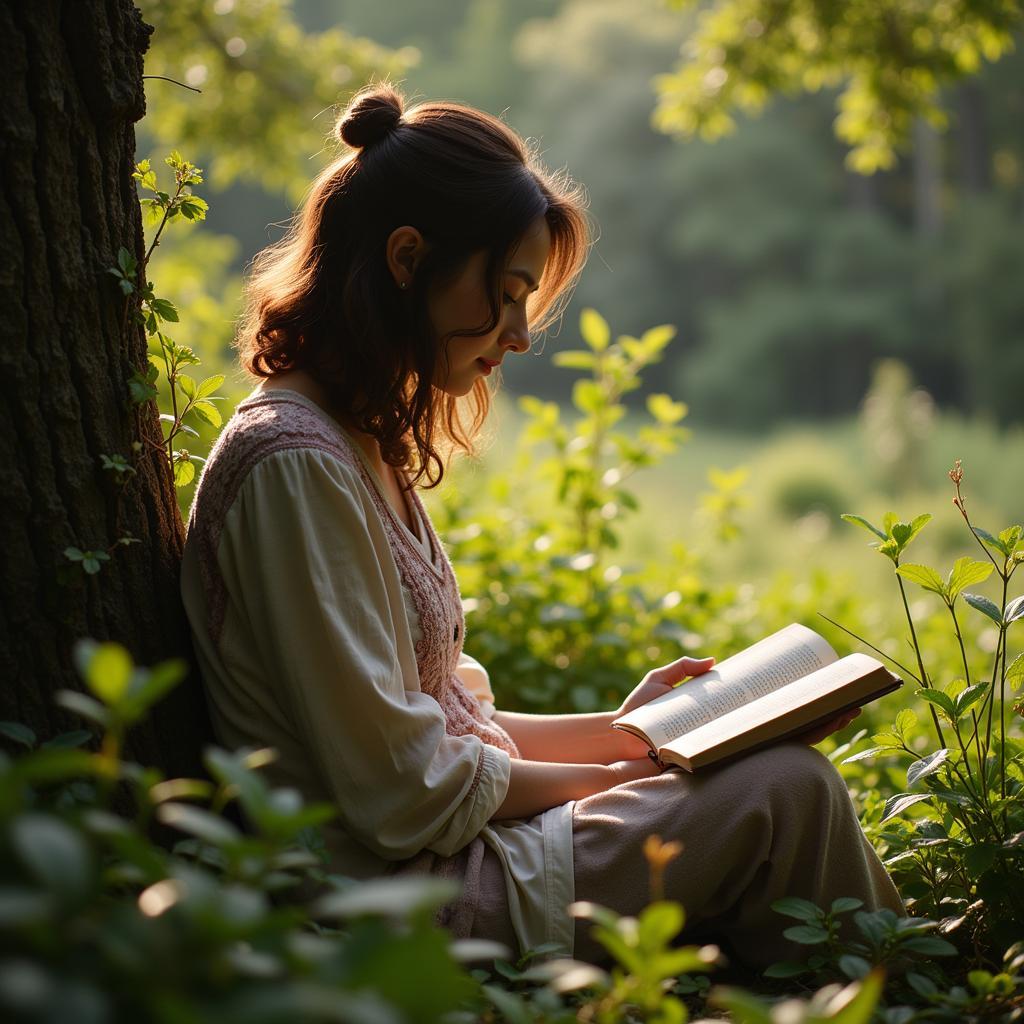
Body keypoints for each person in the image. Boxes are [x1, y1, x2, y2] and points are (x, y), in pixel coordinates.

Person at [180, 83, 903, 972]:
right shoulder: (295, 467)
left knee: (781, 788)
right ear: (407, 259)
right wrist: (629, 779)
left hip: (447, 854)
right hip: (404, 896)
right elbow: (402, 789)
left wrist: (635, 734)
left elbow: (446, 724)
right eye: (510, 291)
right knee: (787, 796)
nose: (521, 333)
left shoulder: (352, 444)